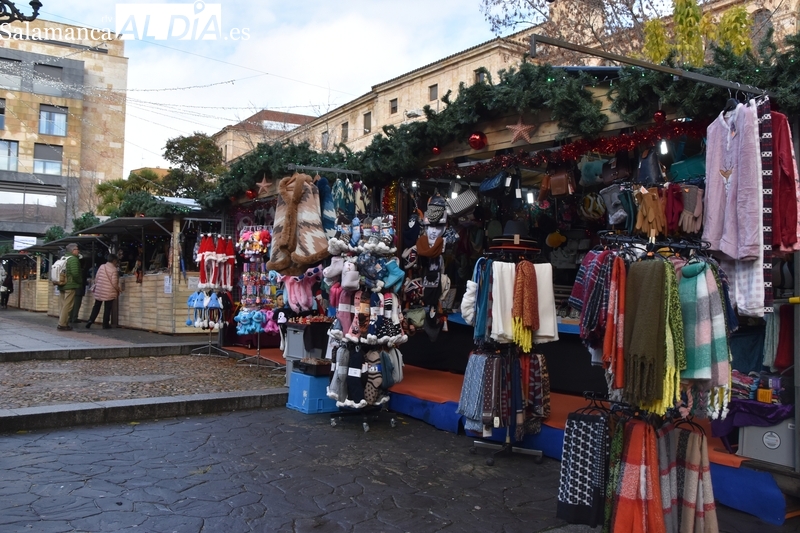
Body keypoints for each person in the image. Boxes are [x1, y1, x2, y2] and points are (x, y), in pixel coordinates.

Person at [86, 255, 123, 329]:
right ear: (114, 261)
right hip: (109, 290)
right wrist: (118, 289)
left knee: (97, 305)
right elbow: (114, 283)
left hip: (99, 289)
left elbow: (96, 278)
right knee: (108, 307)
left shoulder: (102, 266)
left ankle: (90, 320)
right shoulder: (114, 270)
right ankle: (105, 324)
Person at [57, 243, 82, 331]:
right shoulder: (73, 260)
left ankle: (61, 322)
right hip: (70, 285)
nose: (78, 251)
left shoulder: (64, 258)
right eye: (77, 249)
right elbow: (75, 273)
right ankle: (62, 324)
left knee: (63, 305)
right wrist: (80, 281)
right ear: (73, 250)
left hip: (62, 284)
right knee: (68, 305)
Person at [69, 255, 89, 325]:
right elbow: (83, 281)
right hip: (79, 290)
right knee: (77, 304)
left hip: (73, 289)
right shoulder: (82, 271)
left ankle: (70, 317)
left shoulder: (76, 270)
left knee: (72, 304)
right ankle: (74, 318)